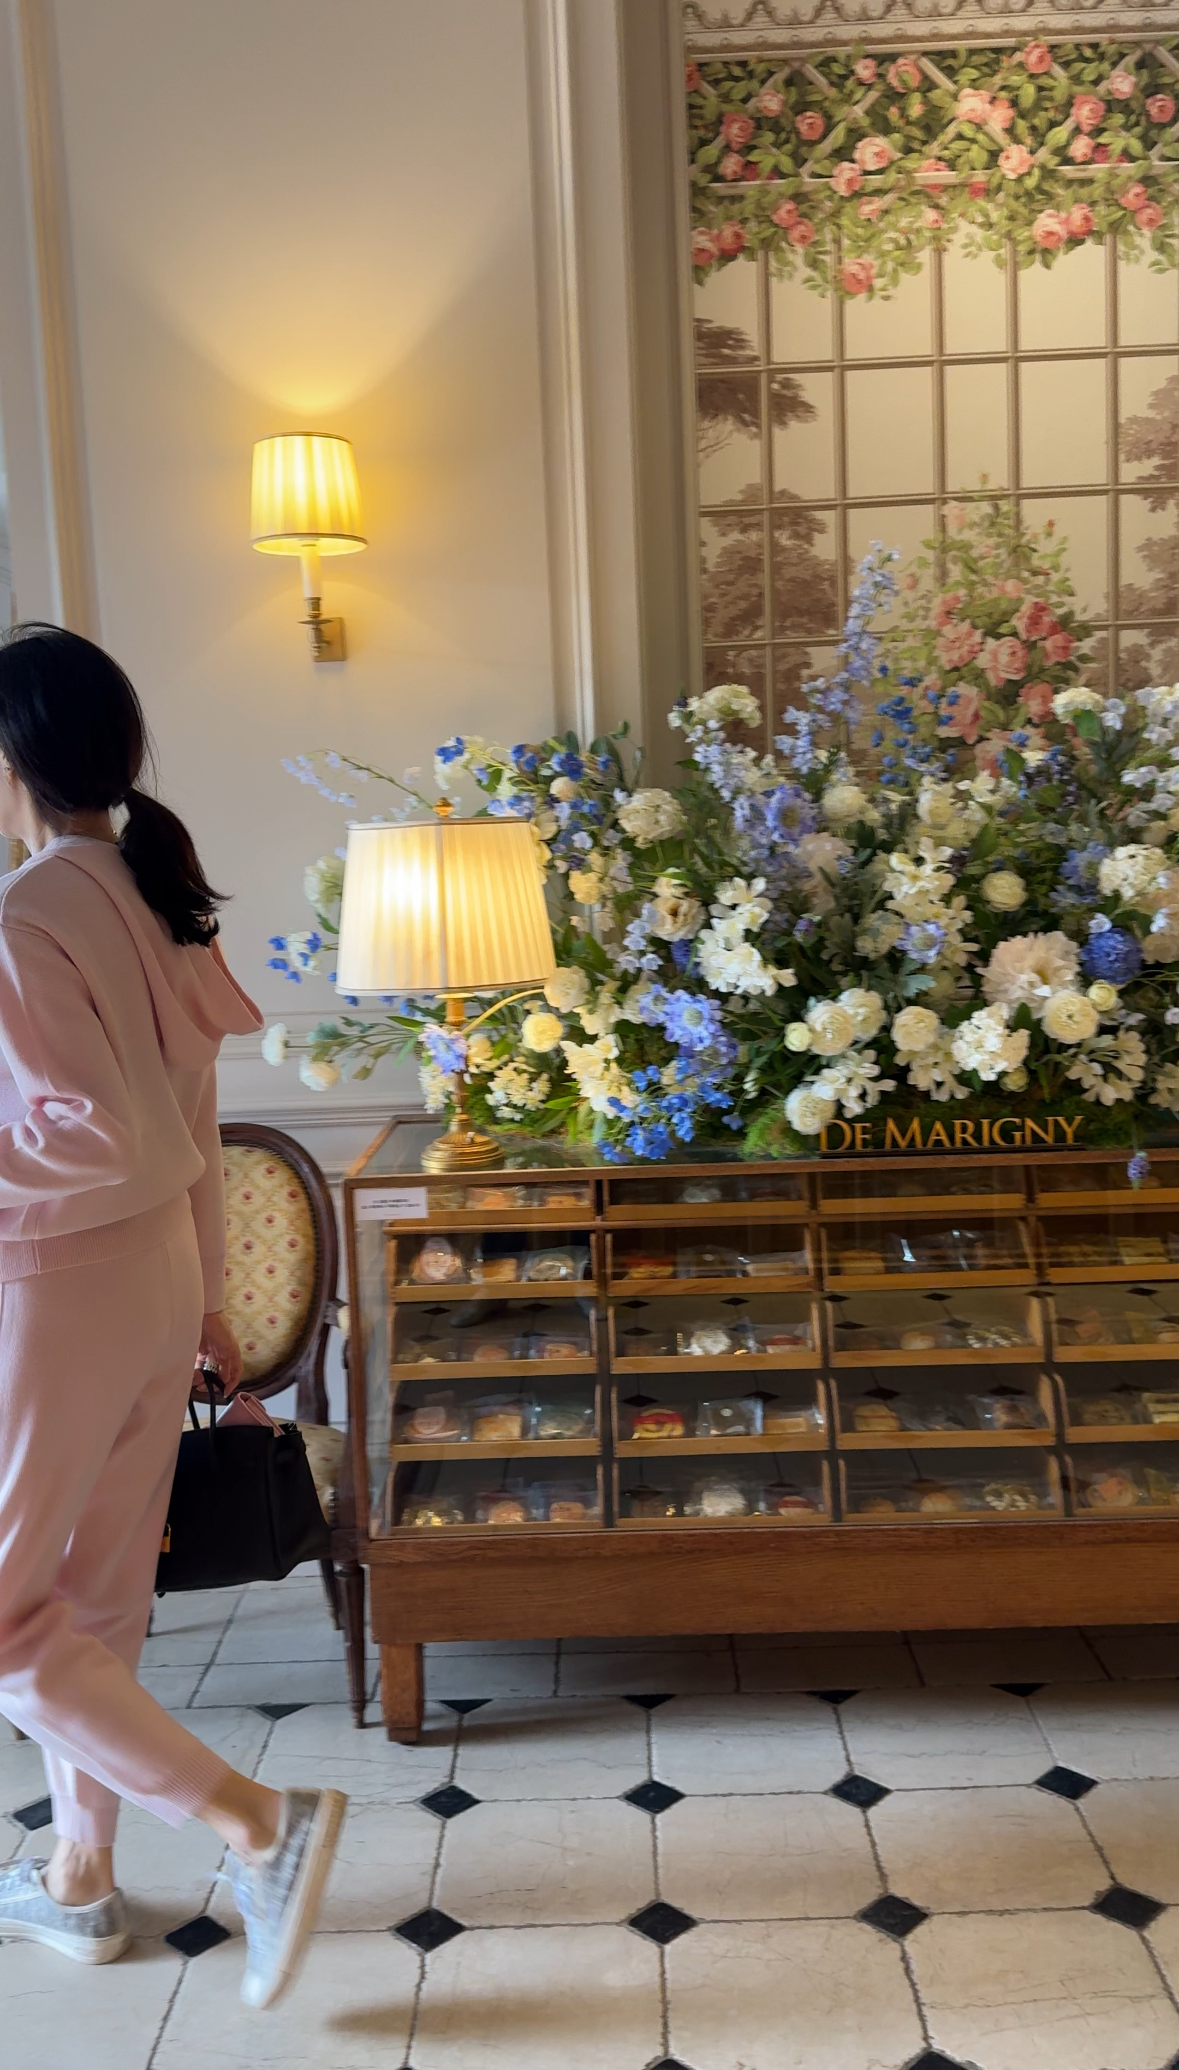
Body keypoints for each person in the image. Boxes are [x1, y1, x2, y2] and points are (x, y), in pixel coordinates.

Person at [0, 623, 344, 2008]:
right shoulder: (153, 898)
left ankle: (256, 1822)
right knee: (94, 1600)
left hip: (52, 1291)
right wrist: (204, 1295)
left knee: (11, 1619)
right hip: (143, 1288)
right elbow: (188, 1127)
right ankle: (79, 1875)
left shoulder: (26, 915)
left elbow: (97, 1134)